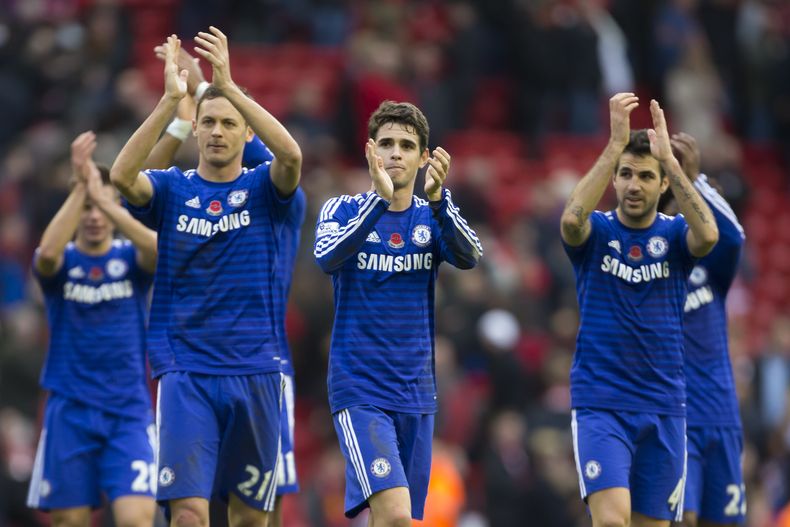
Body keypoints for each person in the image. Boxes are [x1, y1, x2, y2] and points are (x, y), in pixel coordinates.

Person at [110, 30, 302, 526]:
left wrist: (227, 86)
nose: (217, 131)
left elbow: (292, 157)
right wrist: (172, 100)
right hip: (186, 370)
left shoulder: (265, 190)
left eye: (229, 124)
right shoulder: (174, 189)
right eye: (209, 122)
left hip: (257, 369)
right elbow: (123, 178)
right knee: (189, 514)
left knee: (251, 519)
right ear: (195, 130)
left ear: (245, 134)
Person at [313, 100, 483, 525]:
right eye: (386, 143)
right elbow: (326, 257)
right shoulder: (343, 209)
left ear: (424, 157)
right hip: (360, 388)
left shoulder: (433, 214)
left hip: (416, 391)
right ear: (371, 150)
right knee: (394, 515)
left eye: (406, 146)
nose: (395, 153)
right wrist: (378, 202)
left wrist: (441, 200)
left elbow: (471, 256)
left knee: (398, 519)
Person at [559, 94, 719, 526]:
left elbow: (708, 236)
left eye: (646, 176)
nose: (633, 184)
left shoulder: (675, 235)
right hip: (602, 403)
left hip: (665, 405)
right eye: (625, 174)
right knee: (612, 522)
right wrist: (613, 147)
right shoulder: (598, 234)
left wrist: (669, 159)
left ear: (663, 183)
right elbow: (572, 221)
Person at [26, 131, 158, 527]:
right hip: (71, 409)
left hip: (127, 409)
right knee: (70, 521)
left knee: (137, 519)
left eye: (101, 207)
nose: (95, 217)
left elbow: (158, 250)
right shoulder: (62, 261)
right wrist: (83, 186)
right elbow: (46, 256)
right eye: (86, 208)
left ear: (114, 206)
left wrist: (106, 199)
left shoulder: (129, 258)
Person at [665, 133, 746, 527]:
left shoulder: (709, 271)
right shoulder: (651, 268)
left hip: (721, 414)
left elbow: (733, 238)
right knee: (684, 518)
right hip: (674, 416)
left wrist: (694, 179)